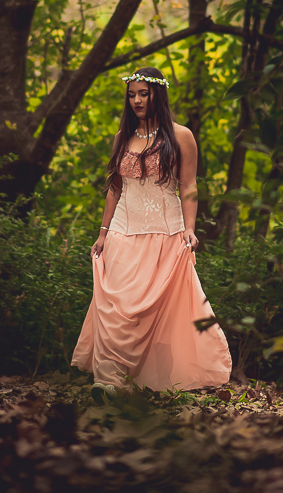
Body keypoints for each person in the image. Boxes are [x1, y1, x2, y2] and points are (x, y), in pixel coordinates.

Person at [70, 67, 232, 403]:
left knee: (157, 308)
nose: (137, 100)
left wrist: (189, 228)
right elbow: (115, 189)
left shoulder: (181, 136)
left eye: (144, 93)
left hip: (166, 232)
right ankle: (108, 380)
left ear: (158, 94)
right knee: (116, 305)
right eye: (132, 95)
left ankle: (152, 381)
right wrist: (102, 233)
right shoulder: (122, 138)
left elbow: (188, 185)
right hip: (122, 232)